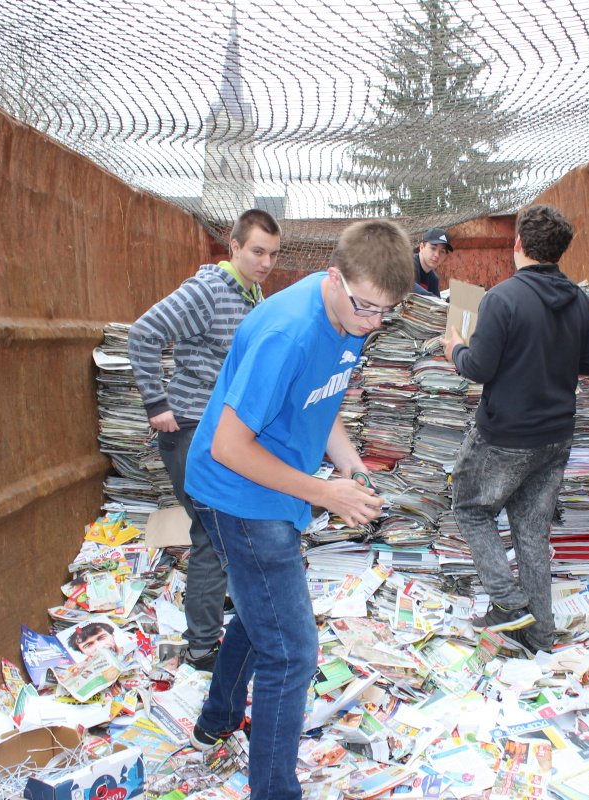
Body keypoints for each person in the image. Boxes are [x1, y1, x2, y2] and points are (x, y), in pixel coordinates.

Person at [184, 220, 414, 800]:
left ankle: (216, 721)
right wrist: (324, 493)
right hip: (236, 492)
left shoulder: (349, 313)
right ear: (334, 277)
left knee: (262, 612)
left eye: (385, 312)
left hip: (278, 490)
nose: (373, 322)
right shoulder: (287, 333)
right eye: (366, 308)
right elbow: (228, 446)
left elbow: (321, 400)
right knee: (292, 652)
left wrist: (351, 468)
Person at [443, 204, 589, 654]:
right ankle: (539, 635)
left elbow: (478, 368)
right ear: (559, 251)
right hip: (555, 437)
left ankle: (507, 603)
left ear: (518, 243)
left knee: (471, 508)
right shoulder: (579, 301)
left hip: (504, 436)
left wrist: (455, 348)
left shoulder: (501, 299)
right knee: (532, 531)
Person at [127, 208, 281, 672]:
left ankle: (218, 609)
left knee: (230, 527)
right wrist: (157, 404)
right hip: (192, 431)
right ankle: (200, 648)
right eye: (257, 252)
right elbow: (143, 332)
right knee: (212, 536)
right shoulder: (208, 290)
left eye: (273, 254)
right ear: (233, 247)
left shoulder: (252, 292)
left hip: (222, 433)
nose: (266, 263)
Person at [413, 227, 453, 296]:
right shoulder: (408, 264)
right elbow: (408, 287)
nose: (437, 255)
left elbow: (436, 300)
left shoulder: (433, 278)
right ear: (422, 247)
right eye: (433, 248)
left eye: (442, 252)